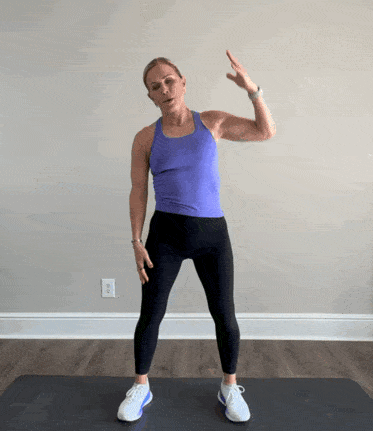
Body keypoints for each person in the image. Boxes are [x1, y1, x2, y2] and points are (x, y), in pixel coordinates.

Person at [117, 50, 275, 424]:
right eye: (155, 86)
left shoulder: (212, 122)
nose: (164, 89)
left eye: (169, 80)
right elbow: (138, 190)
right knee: (150, 313)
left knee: (225, 315)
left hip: (211, 235)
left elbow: (265, 131)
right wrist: (136, 241)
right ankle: (141, 386)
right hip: (165, 236)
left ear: (183, 83)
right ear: (150, 96)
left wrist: (252, 90)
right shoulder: (145, 138)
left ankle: (229, 386)